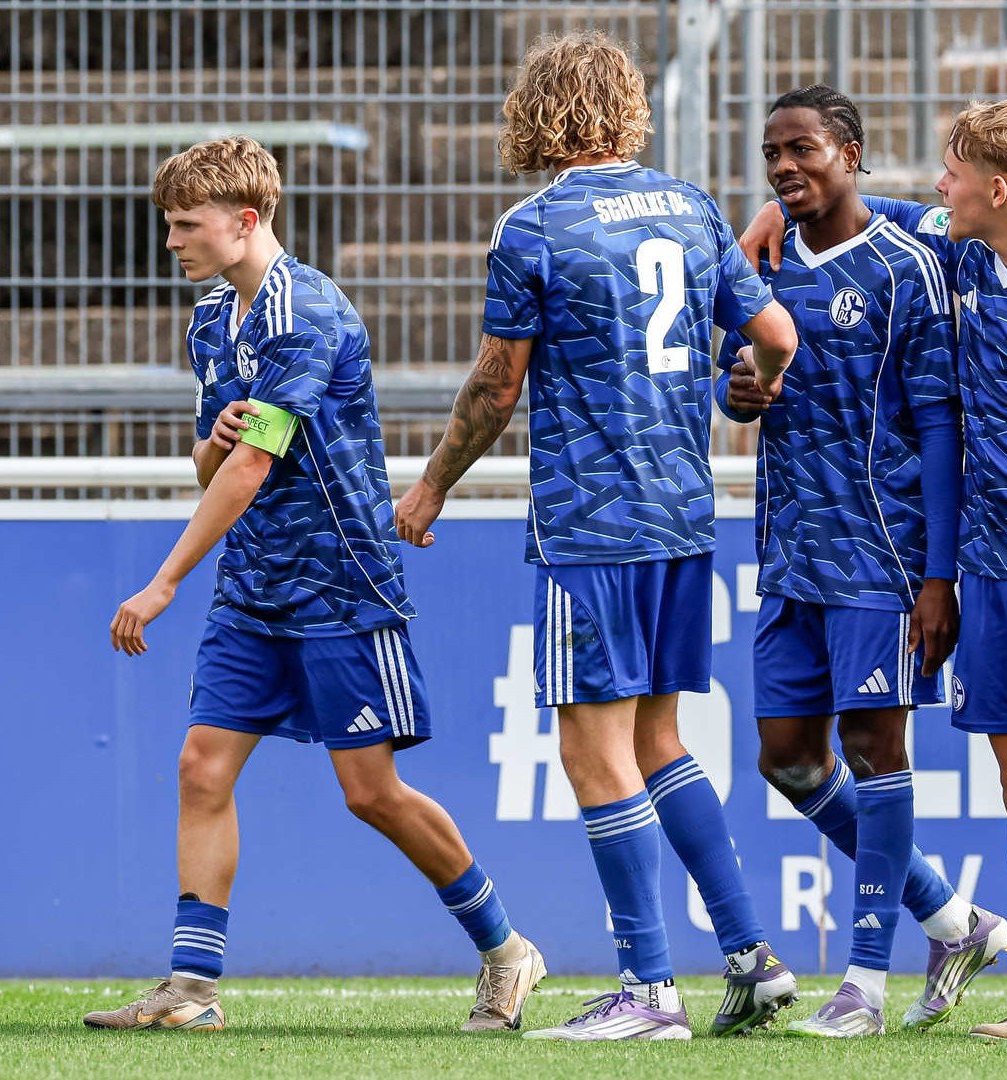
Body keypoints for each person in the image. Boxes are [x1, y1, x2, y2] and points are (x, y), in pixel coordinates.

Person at [393, 32, 801, 1042]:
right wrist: (750, 389)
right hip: (681, 513)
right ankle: (751, 957)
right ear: (623, 106)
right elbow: (778, 337)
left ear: (539, 111)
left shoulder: (537, 228)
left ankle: (649, 990)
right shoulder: (690, 204)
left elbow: (497, 386)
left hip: (592, 522)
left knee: (593, 751)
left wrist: (432, 486)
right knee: (660, 740)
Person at [87, 136, 543, 1034]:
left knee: (370, 793)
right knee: (200, 767)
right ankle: (190, 990)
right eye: (169, 224)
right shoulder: (212, 318)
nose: (172, 241)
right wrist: (210, 442)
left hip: (339, 586)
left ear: (245, 220)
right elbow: (214, 462)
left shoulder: (310, 310)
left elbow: (256, 466)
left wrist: (164, 581)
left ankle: (505, 948)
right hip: (255, 589)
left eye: (186, 225)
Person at [741, 95, 1007, 1041]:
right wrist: (781, 206)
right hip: (991, 569)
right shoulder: (968, 253)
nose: (940, 186)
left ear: (1000, 187)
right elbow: (883, 214)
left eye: (954, 173)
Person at [717, 85, 1007, 1039]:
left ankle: (865, 987)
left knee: (875, 752)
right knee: (786, 758)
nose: (784, 167)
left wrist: (939, 574)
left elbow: (939, 425)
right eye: (772, 154)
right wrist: (740, 396)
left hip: (881, 558)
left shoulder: (905, 266)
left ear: (849, 152)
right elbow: (739, 383)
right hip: (790, 553)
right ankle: (951, 920)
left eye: (802, 149)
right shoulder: (757, 266)